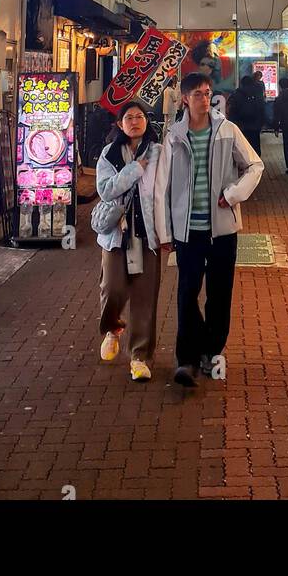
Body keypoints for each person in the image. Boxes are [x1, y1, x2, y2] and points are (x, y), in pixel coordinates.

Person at [160, 72, 264, 387]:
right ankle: (186, 360)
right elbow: (162, 187)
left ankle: (211, 351)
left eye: (207, 93)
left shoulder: (227, 131)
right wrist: (165, 232)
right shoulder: (173, 136)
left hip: (222, 230)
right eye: (197, 94)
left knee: (220, 295)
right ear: (184, 99)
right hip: (188, 231)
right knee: (187, 294)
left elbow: (255, 166)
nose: (204, 100)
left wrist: (233, 194)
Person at [95, 101, 169, 382]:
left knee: (144, 297)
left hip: (147, 235)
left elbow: (164, 192)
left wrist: (167, 234)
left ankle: (140, 357)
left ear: (147, 122)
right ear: (120, 124)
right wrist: (135, 170)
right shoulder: (109, 154)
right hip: (116, 234)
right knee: (112, 287)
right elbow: (105, 190)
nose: (135, 121)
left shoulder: (159, 153)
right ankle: (113, 328)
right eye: (129, 117)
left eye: (140, 117)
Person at [226, 73, 264, 155]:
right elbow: (261, 108)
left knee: (241, 147)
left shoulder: (236, 94)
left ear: (241, 83)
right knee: (255, 145)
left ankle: (244, 163)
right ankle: (256, 163)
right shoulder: (257, 93)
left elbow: (232, 111)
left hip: (241, 126)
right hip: (255, 125)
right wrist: (261, 123)